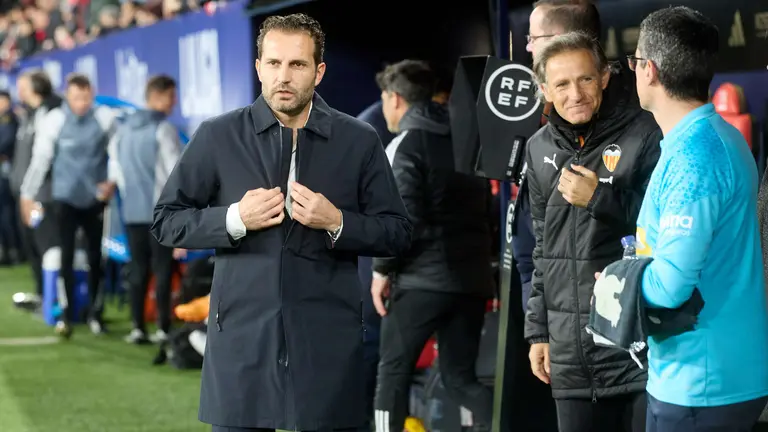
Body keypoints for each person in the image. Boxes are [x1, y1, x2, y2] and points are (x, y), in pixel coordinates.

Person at [150, 13, 412, 432]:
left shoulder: (358, 139)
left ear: (319, 71)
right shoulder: (218, 135)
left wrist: (337, 222)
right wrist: (235, 218)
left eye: (297, 64)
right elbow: (167, 221)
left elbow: (397, 232)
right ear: (258, 67)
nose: (283, 77)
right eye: (273, 63)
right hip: (241, 340)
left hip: (326, 341)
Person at [632, 6, 768, 430]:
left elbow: (670, 286)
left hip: (699, 383)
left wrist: (616, 284)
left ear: (650, 70)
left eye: (634, 61)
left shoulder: (695, 157)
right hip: (714, 374)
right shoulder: (715, 137)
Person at [524, 32, 662, 432]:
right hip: (571, 355)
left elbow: (666, 227)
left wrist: (599, 198)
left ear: (604, 76)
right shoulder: (537, 147)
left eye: (585, 79)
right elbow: (542, 248)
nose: (575, 94)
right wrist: (538, 332)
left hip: (634, 349)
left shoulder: (645, 133)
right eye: (562, 84)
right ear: (545, 90)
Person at [370, 60, 495, 432]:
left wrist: (381, 270)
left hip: (421, 282)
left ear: (395, 98)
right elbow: (487, 210)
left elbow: (402, 221)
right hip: (472, 282)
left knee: (392, 374)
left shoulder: (405, 144)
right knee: (461, 380)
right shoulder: (466, 141)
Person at [19, 73, 117, 338]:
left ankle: (95, 313)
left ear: (92, 95)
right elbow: (41, 159)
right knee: (66, 256)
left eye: (85, 97)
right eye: (76, 97)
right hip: (64, 198)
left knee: (96, 257)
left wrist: (112, 181)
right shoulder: (55, 120)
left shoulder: (105, 117)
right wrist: (27, 194)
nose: (81, 103)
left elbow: (116, 154)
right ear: (67, 96)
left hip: (95, 199)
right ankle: (65, 312)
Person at [108, 74, 182, 345]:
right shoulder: (164, 129)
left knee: (138, 269)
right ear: (158, 97)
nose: (174, 103)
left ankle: (138, 327)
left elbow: (116, 170)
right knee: (162, 269)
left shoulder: (123, 130)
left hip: (132, 211)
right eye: (171, 96)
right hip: (160, 213)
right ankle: (163, 328)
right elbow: (175, 171)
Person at [10, 70, 62, 298]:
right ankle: (42, 294)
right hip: (24, 192)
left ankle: (51, 297)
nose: (19, 92)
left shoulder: (48, 114)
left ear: (35, 88)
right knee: (31, 245)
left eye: (23, 87)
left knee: (45, 246)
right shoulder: (27, 115)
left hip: (41, 195)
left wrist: (30, 192)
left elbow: (42, 160)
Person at [0, 90, 20, 266]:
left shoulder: (10, 120)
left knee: (7, 212)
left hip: (7, 173)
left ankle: (14, 250)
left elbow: (5, 143)